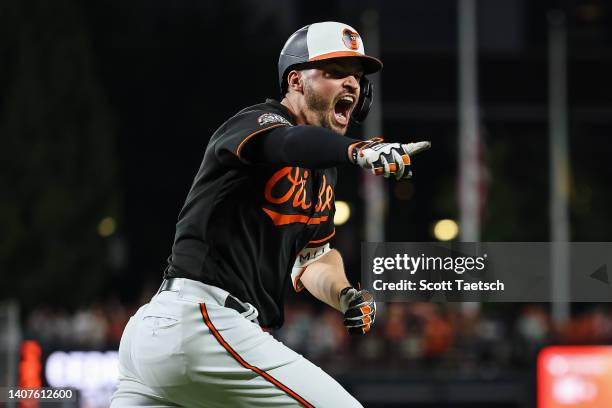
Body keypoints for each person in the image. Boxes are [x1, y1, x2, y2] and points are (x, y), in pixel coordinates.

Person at [111, 21, 430, 407]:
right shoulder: (260, 122)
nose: (351, 84)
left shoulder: (322, 170)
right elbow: (289, 142)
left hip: (164, 337)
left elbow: (313, 259)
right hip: (202, 322)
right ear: (296, 81)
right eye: (334, 72)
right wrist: (359, 151)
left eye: (357, 77)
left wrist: (344, 294)